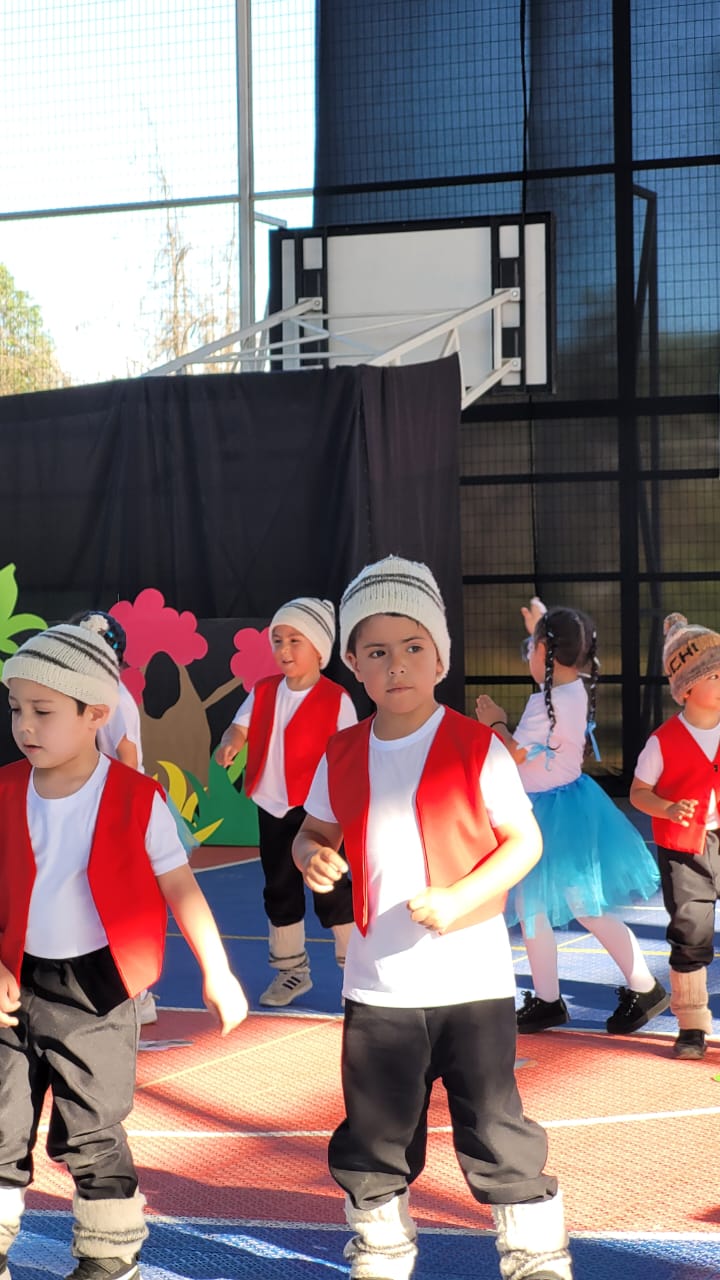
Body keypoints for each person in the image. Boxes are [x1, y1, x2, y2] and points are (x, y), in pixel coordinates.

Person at [292, 557, 573, 1280]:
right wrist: (311, 854)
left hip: (471, 985)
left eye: (413, 647)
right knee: (376, 1133)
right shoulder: (341, 752)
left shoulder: (476, 748)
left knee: (495, 1127)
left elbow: (524, 843)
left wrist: (459, 898)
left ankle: (535, 1252)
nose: (396, 664)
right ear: (354, 664)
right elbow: (313, 831)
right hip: (378, 988)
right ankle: (381, 1248)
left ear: (441, 658)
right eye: (376, 651)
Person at [0, 620, 248, 1280]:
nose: (25, 725)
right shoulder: (4, 790)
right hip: (13, 985)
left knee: (92, 1129)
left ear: (96, 714)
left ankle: (109, 1254)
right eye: (16, 709)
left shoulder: (137, 798)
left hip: (99, 991)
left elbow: (179, 885)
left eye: (43, 711)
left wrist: (218, 971)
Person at [475, 598, 667, 1036]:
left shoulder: (544, 704)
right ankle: (551, 999)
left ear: (545, 651)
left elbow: (514, 754)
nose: (528, 654)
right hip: (569, 807)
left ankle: (641, 987)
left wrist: (495, 722)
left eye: (532, 647)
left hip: (551, 816)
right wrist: (539, 626)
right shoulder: (575, 688)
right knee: (543, 908)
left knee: (571, 908)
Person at [215, 597, 356, 1007]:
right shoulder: (263, 691)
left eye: (295, 640)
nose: (284, 649)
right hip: (274, 807)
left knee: (332, 889)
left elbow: (350, 755)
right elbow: (238, 727)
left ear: (319, 648)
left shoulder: (337, 699)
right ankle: (291, 971)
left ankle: (356, 971)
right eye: (278, 640)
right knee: (279, 888)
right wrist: (230, 742)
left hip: (320, 812)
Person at [630, 612, 720, 1060]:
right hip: (685, 850)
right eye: (715, 674)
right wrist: (667, 808)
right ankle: (692, 1025)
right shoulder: (663, 741)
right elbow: (639, 792)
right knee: (690, 933)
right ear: (686, 687)